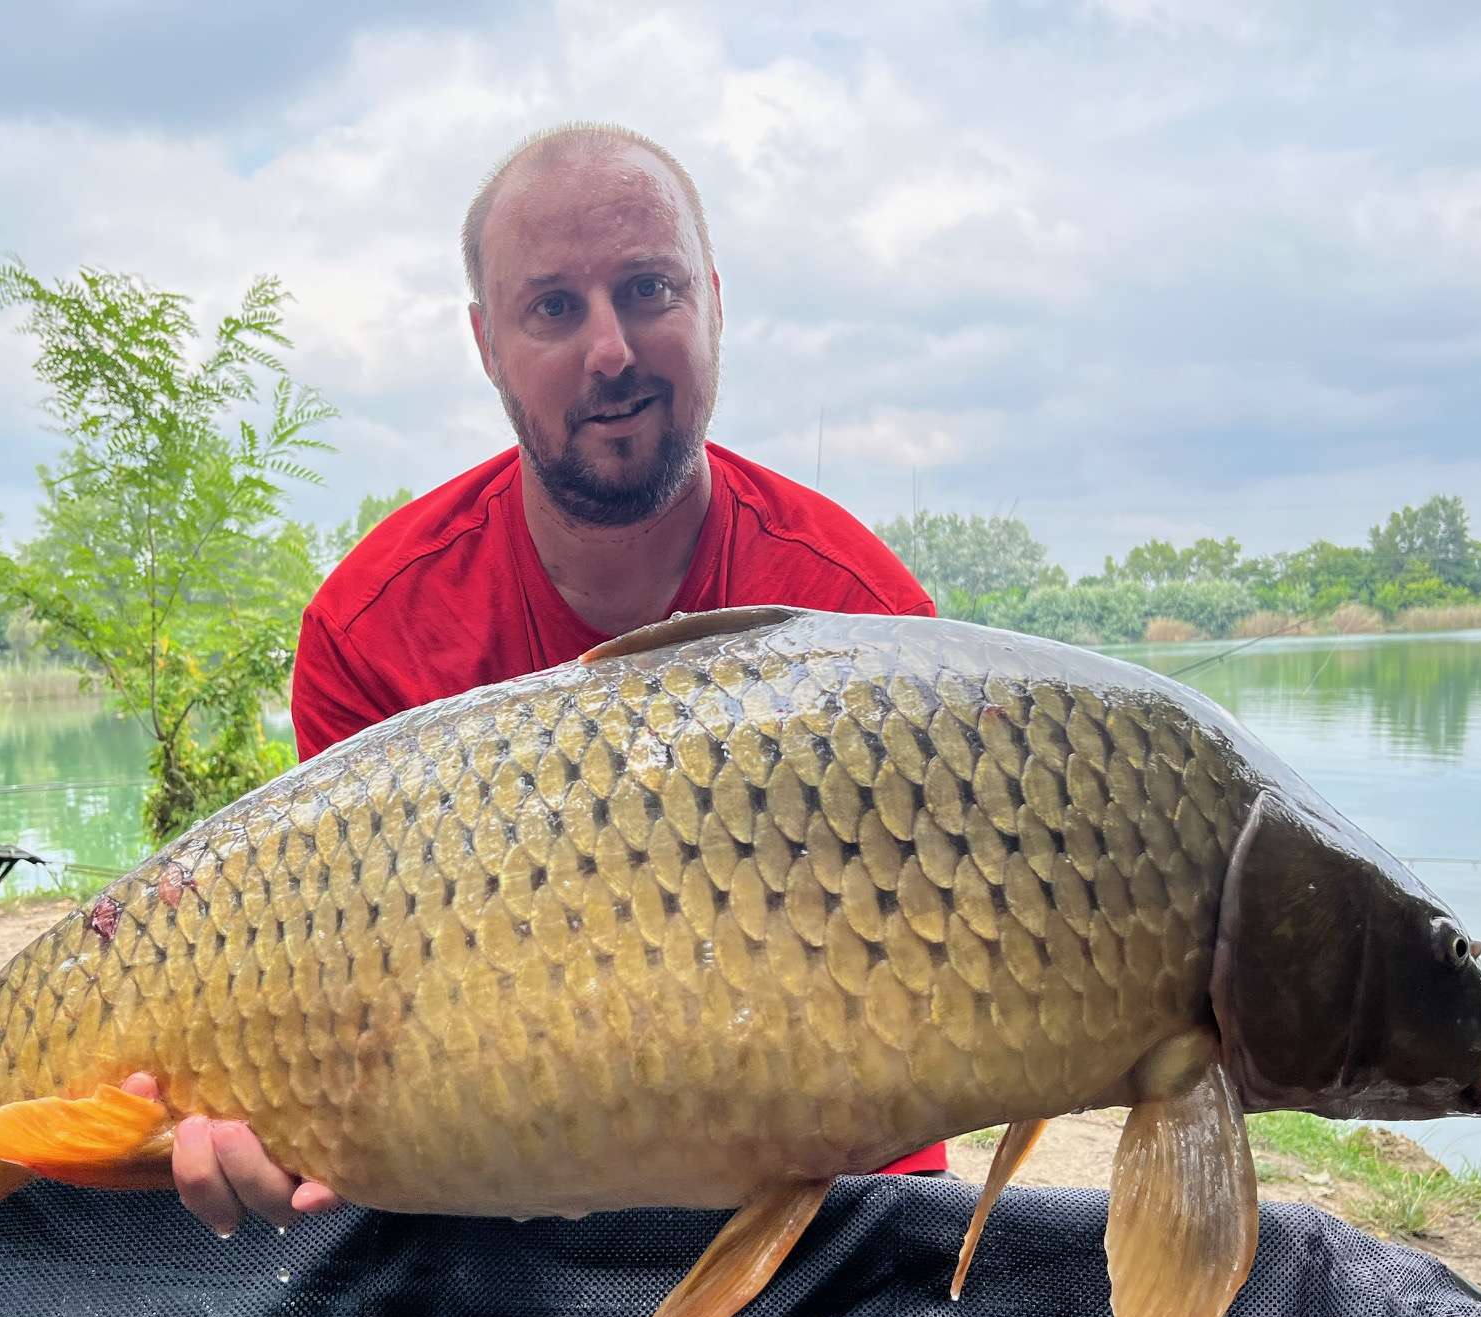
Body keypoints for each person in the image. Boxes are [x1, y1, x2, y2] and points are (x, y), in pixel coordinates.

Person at [129, 121, 946, 1239]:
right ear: (486, 344)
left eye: (648, 290)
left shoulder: (863, 620)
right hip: (492, 1205)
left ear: (713, 303)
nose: (609, 350)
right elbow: (354, 1020)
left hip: (824, 1196)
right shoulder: (374, 631)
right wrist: (272, 1113)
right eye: (554, 308)